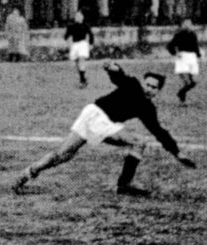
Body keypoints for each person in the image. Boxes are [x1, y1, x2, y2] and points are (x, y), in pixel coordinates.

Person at [12, 62, 196, 196]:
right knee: (138, 143)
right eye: (147, 84)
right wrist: (113, 68)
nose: (148, 88)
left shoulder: (147, 109)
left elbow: (159, 131)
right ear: (143, 83)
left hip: (95, 116)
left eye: (153, 87)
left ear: (158, 91)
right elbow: (120, 77)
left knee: (65, 154)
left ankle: (28, 173)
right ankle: (124, 185)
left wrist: (176, 152)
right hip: (96, 115)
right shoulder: (133, 86)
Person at [167, 19, 201, 104]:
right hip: (183, 58)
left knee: (194, 81)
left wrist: (198, 54)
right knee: (187, 81)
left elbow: (195, 46)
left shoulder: (193, 35)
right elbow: (170, 46)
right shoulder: (179, 35)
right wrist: (175, 53)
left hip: (192, 58)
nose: (188, 26)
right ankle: (182, 100)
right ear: (182, 25)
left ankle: (181, 93)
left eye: (190, 24)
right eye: (186, 24)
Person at [64, 10, 94, 88]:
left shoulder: (85, 25)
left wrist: (91, 44)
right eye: (76, 16)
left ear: (82, 17)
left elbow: (90, 34)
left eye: (79, 16)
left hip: (82, 44)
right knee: (77, 62)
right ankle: (82, 77)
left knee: (81, 60)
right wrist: (67, 32)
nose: (78, 17)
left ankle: (82, 80)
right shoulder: (72, 26)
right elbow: (66, 36)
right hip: (75, 45)